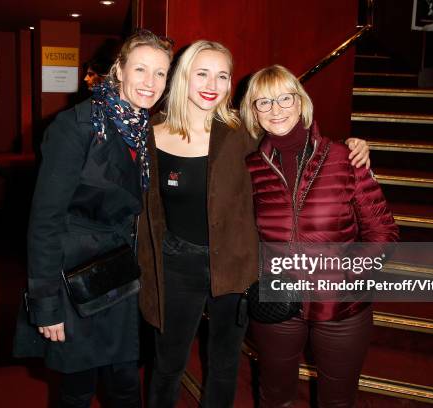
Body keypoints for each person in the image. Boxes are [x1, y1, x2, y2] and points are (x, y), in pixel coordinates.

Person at [137, 41, 371, 408]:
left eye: (222, 75)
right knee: (167, 363)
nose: (212, 83)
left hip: (235, 264)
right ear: (183, 77)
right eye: (202, 73)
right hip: (176, 264)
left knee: (224, 363)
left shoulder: (243, 134)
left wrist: (354, 145)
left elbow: (296, 141)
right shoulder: (150, 134)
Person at [13, 30, 173, 408]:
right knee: (77, 391)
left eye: (161, 73)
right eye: (141, 69)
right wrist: (46, 304)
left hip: (124, 278)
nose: (150, 83)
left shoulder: (145, 127)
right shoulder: (78, 126)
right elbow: (45, 221)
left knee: (124, 386)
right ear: (119, 70)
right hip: (76, 280)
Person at [241, 65, 399, 408]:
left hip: (343, 306)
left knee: (337, 400)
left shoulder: (345, 158)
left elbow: (383, 230)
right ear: (253, 112)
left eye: (285, 98)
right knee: (274, 397)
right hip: (278, 303)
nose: (276, 109)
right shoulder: (249, 169)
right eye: (263, 102)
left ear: (301, 103)